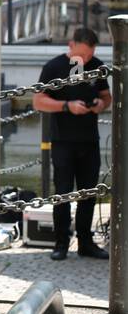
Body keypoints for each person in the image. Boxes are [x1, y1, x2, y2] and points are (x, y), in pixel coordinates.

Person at [33, 26, 112, 261]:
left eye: (89, 55)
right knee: (63, 193)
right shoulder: (54, 67)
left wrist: (100, 104)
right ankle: (60, 243)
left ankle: (86, 242)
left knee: (88, 194)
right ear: (71, 45)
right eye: (83, 54)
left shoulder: (97, 66)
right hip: (63, 140)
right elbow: (38, 101)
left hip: (89, 140)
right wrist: (66, 106)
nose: (86, 59)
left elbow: (107, 97)